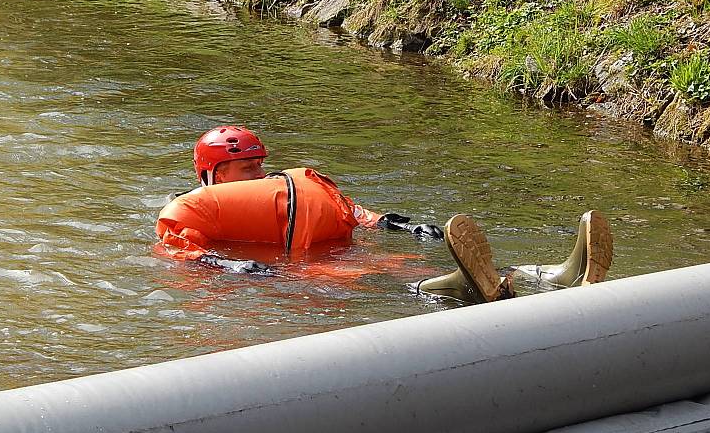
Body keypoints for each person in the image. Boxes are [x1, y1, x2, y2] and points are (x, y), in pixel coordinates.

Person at [155, 126, 613, 304]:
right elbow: (181, 253)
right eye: (244, 168)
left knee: (414, 261)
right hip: (293, 270)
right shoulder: (190, 209)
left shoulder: (282, 189)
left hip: (334, 248)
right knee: (371, 280)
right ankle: (455, 291)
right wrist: (231, 264)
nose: (257, 174)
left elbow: (348, 210)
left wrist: (392, 222)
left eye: (259, 164)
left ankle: (548, 274)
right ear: (210, 174)